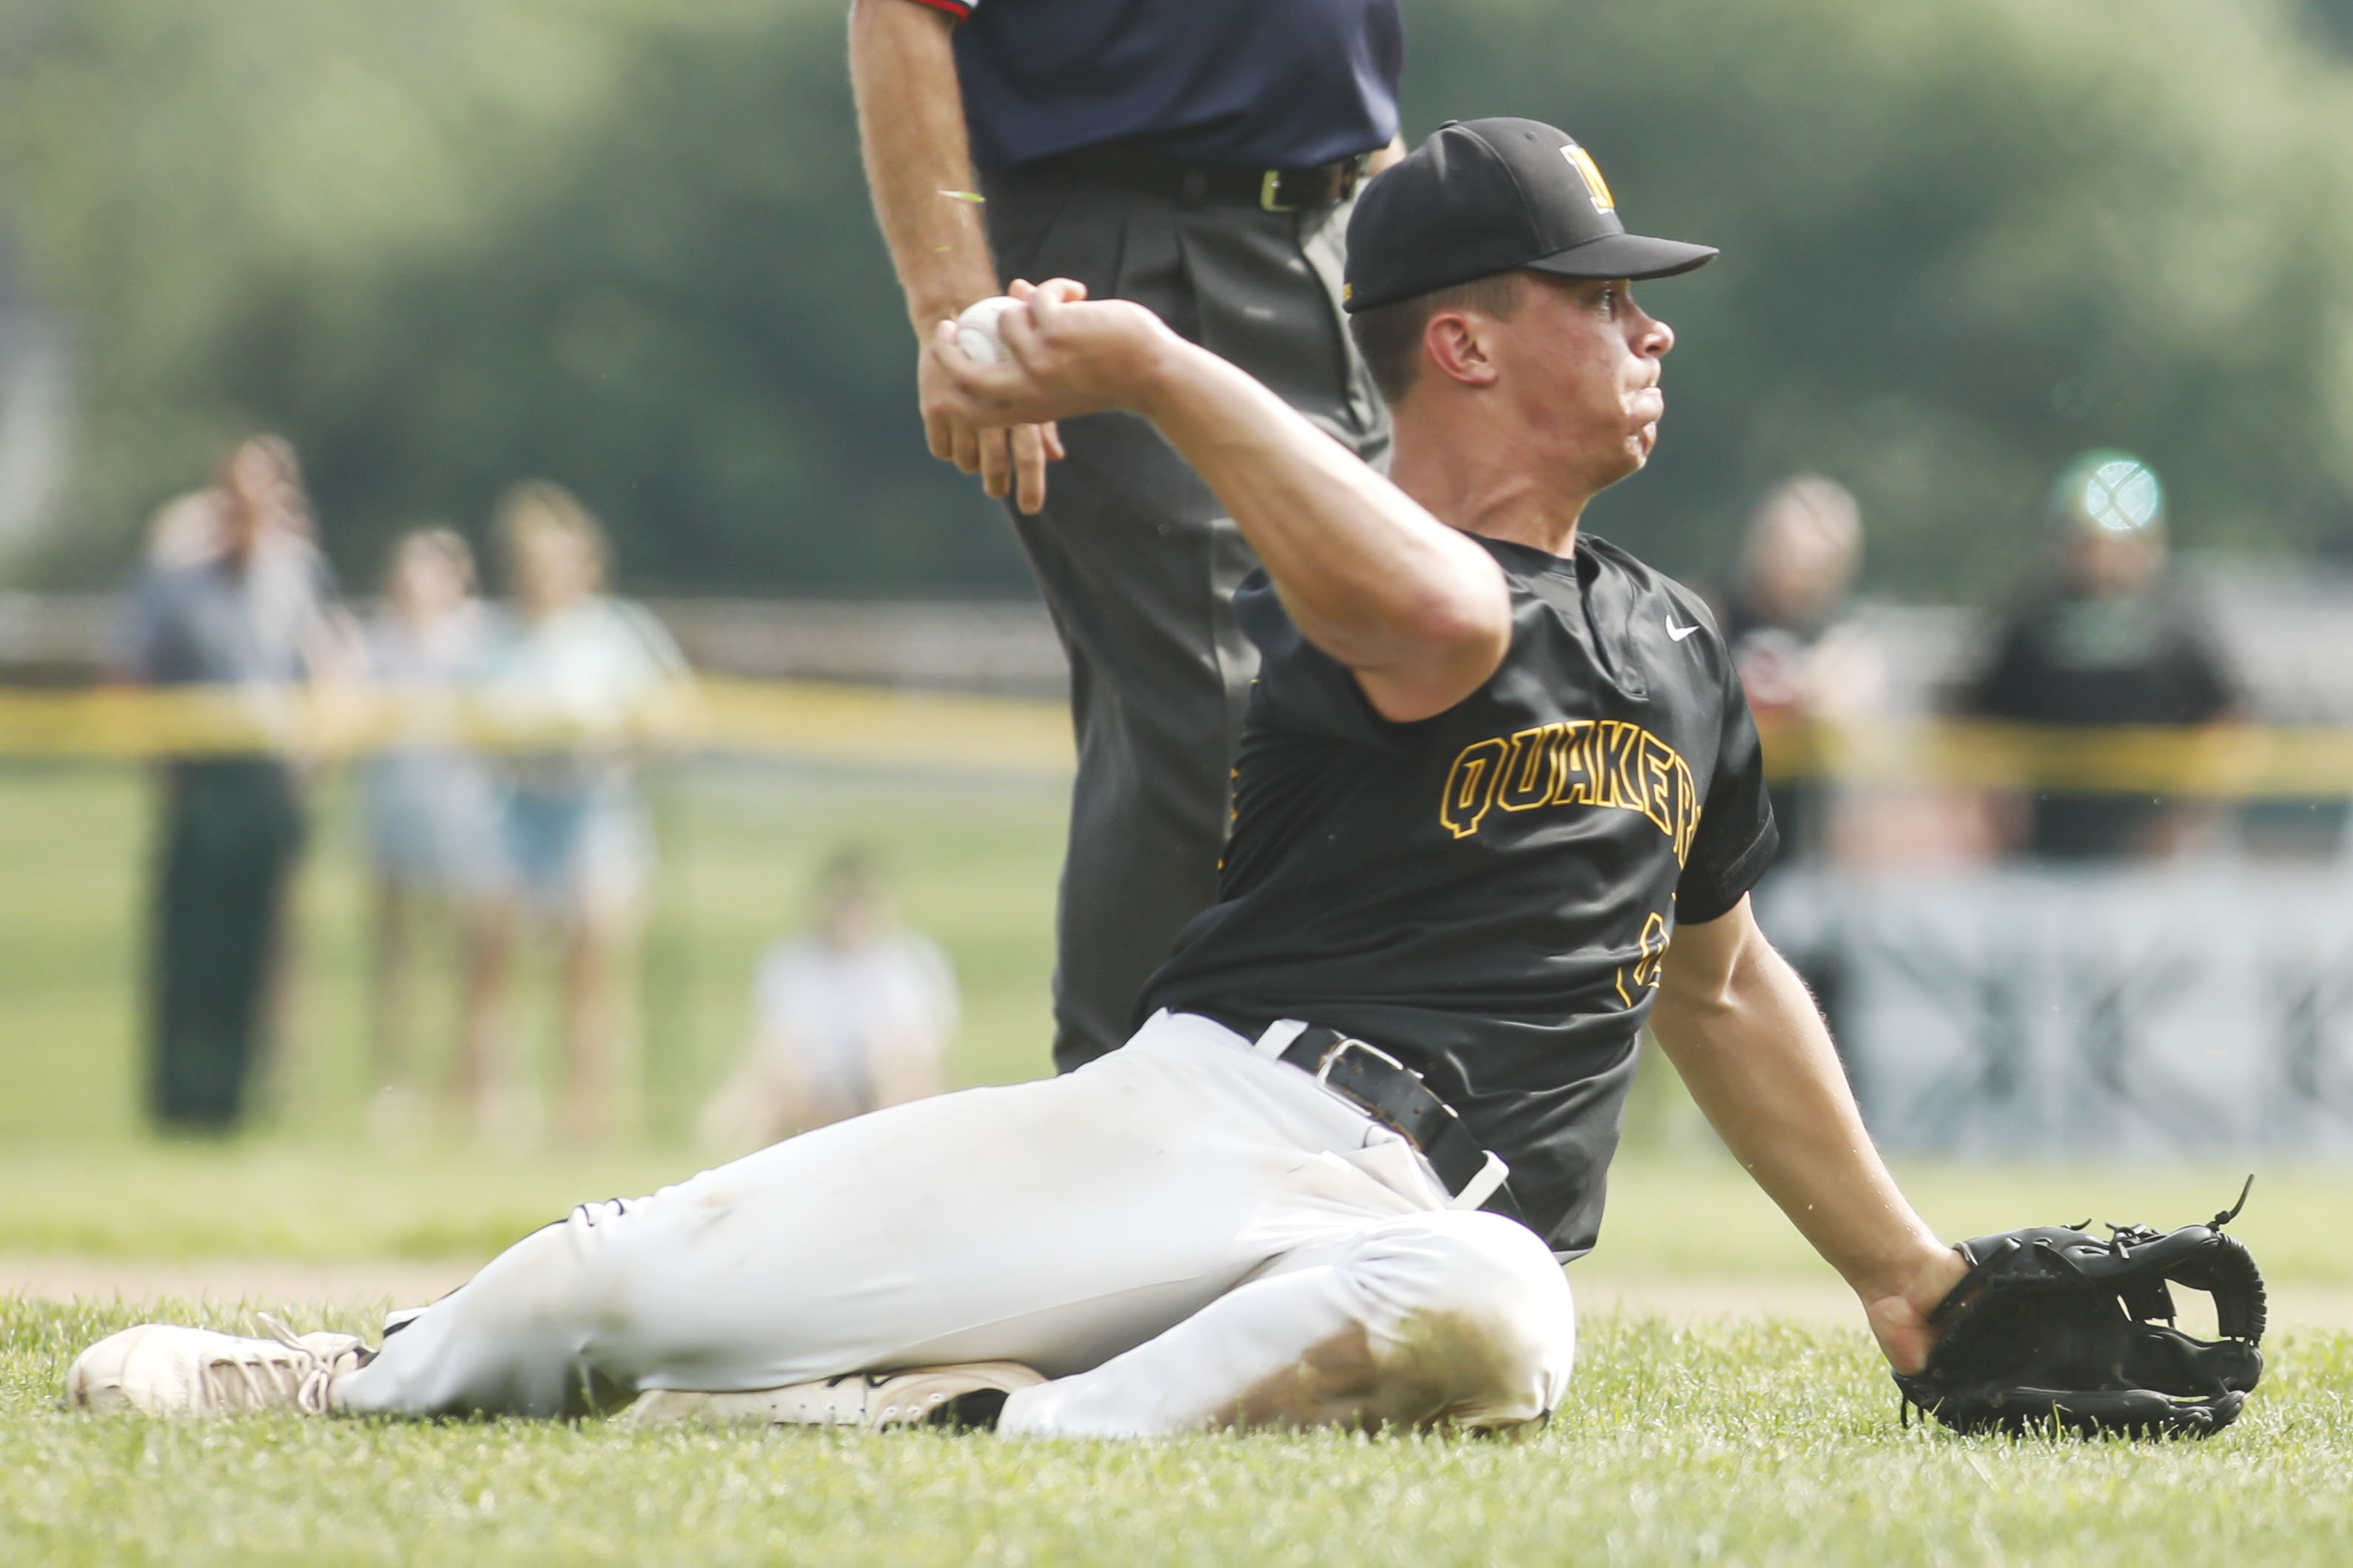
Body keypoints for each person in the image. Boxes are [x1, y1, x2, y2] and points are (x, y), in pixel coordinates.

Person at [67, 121, 1968, 1436]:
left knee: (1497, 1307)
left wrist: (1908, 1279)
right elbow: (1438, 611)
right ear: (1461, 339)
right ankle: (341, 1376)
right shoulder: (1344, 566)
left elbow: (1722, 984)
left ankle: (996, 1435)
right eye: (1599, 294)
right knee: (622, 1284)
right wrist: (1149, 364)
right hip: (1220, 1118)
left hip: (1431, 1234)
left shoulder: (1680, 641)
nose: (1651, 325)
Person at [852, 0, 1400, 1073]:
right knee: (1217, 711)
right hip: (1124, 247)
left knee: (1379, 693)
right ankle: (1121, 1101)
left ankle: (1312, 1107)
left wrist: (1395, 200)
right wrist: (954, 308)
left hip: (1335, 241)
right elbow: (904, 12)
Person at [115, 435, 341, 1133]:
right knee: (190, 945)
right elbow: (135, 668)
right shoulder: (176, 577)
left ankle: (233, 1100)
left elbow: (323, 664)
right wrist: (161, 762)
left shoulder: (297, 573)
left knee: (255, 947)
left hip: (266, 776)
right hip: (202, 776)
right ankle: (178, 1096)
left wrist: (308, 757)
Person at [467, 483, 694, 1144]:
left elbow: (676, 718)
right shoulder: (495, 637)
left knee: (592, 972)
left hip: (595, 813)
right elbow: (465, 725)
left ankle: (586, 1115)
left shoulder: (616, 633)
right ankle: (491, 1112)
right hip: (518, 812)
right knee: (491, 964)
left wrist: (619, 735)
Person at [1967, 451, 2238, 861]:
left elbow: (2227, 725)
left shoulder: (2175, 623)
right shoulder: (2033, 624)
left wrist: (2181, 822)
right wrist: (2001, 812)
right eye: (2086, 540)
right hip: (2048, 853)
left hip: (2151, 859)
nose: (2100, 556)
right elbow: (1977, 720)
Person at [357, 528, 507, 1140]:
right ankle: (395, 1089)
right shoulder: (377, 645)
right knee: (398, 962)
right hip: (394, 821)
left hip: (468, 826)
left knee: (473, 964)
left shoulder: (478, 641)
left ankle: (473, 1090)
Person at [696, 851, 958, 1156]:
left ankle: (908, 1157)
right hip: (814, 1082)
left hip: (880, 1078)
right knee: (763, 1089)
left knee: (907, 1083)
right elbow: (778, 1040)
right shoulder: (791, 961)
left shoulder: (903, 963)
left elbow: (914, 1048)